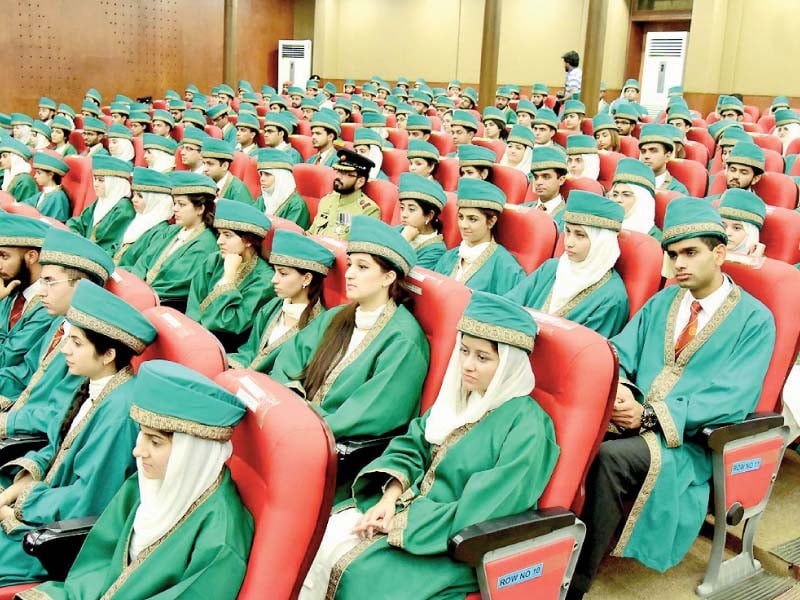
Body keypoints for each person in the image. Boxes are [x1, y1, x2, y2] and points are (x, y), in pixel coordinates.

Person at [567, 199, 775, 599]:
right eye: (673, 254)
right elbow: (619, 354)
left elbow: (731, 398)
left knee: (610, 459)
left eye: (691, 253)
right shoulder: (664, 301)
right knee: (569, 435)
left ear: (719, 254)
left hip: (690, 442)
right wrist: (623, 395)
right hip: (633, 419)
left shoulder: (755, 319)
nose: (679, 263)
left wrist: (646, 416)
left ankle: (573, 584)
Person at [300, 291, 559, 600]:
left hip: (454, 544)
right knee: (319, 539)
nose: (467, 365)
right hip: (407, 513)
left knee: (358, 576)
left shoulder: (529, 426)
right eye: (464, 351)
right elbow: (412, 444)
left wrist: (402, 522)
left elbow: (488, 510)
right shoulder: (460, 398)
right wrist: (389, 498)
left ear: (509, 365)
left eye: (483, 357)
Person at [21, 359, 254, 599]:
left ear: (192, 450)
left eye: (155, 442)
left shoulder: (221, 536)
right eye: (142, 435)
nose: (138, 451)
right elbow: (99, 563)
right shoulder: (145, 482)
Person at [0, 279, 157, 586]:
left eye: (76, 343)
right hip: (41, 506)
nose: (65, 351)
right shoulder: (93, 385)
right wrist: (10, 493)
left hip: (54, 540)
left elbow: (88, 499)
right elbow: (55, 450)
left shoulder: (119, 415)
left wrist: (20, 507)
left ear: (108, 354)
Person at [270, 216, 430, 497]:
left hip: (338, 454)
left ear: (388, 277)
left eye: (362, 267)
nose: (349, 273)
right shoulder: (337, 316)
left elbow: (372, 412)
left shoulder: (404, 339)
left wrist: (302, 421)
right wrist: (291, 401)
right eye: (350, 264)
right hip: (297, 426)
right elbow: (289, 358)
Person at [0, 229, 115, 448]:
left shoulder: (88, 345)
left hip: (31, 440)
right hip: (18, 417)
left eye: (49, 282)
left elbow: (59, 412)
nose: (41, 292)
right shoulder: (60, 323)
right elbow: (24, 372)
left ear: (81, 287)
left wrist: (8, 421)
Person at [508, 192, 629, 337]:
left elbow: (589, 351)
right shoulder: (551, 268)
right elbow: (509, 305)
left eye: (580, 235)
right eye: (568, 232)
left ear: (601, 242)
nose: (569, 243)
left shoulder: (613, 296)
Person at [228, 230, 334, 373]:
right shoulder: (273, 306)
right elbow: (249, 351)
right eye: (275, 271)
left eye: (283, 273)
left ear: (307, 279)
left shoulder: (320, 325)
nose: (274, 279)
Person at [186, 200, 275, 351]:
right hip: (193, 335)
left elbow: (229, 323)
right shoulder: (214, 259)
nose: (220, 241)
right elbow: (194, 304)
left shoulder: (265, 281)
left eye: (227, 235)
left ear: (248, 241)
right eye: (219, 234)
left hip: (223, 346)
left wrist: (228, 278)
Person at [129, 172, 219, 312]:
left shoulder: (205, 244)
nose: (175, 208)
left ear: (200, 209)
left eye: (182, 204)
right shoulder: (172, 230)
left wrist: (139, 294)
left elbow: (174, 285)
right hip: (140, 294)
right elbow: (144, 260)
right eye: (175, 203)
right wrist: (133, 286)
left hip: (162, 307)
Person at [434, 178, 524, 294]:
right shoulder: (449, 256)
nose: (463, 225)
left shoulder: (506, 266)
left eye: (472, 219)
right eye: (461, 217)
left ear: (491, 222)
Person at [0, 214, 53, 388]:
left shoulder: (48, 304)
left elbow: (5, 358)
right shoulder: (12, 285)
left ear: (31, 257)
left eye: (4, 256)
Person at [67, 155, 135, 254]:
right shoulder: (101, 201)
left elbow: (107, 245)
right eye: (95, 179)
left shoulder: (124, 209)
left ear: (115, 183)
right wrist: (74, 234)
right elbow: (79, 222)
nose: (95, 184)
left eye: (101, 180)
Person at [307, 148, 380, 240]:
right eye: (338, 171)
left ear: (360, 182)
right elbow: (310, 233)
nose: (338, 177)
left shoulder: (368, 210)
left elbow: (361, 248)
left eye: (344, 173)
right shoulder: (327, 200)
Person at [114, 167, 174, 267]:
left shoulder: (160, 232)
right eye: (134, 195)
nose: (134, 200)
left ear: (155, 200)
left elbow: (141, 267)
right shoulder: (138, 219)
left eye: (140, 196)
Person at [397, 172, 448, 269]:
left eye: (411, 209)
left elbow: (401, 275)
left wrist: (403, 241)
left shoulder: (435, 250)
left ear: (429, 215)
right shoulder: (399, 229)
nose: (404, 215)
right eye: (402, 208)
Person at [255, 148, 311, 228]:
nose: (262, 179)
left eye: (267, 174)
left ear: (281, 178)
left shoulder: (296, 205)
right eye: (261, 174)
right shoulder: (262, 199)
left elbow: (289, 235)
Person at [609, 158, 662, 240]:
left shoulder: (655, 240)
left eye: (626, 195)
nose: (618, 200)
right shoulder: (605, 230)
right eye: (615, 195)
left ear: (642, 201)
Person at [522, 147, 569, 230]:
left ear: (561, 180)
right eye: (536, 177)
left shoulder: (568, 218)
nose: (538, 182)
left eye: (546, 177)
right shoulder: (522, 209)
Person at [201, 138, 255, 204]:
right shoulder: (204, 183)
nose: (205, 169)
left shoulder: (238, 190)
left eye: (210, 164)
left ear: (225, 166)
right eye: (204, 163)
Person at [638, 124, 689, 194]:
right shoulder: (630, 184)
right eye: (643, 151)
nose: (646, 156)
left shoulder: (676, 190)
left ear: (667, 156)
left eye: (653, 151)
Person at [22, 152, 71, 222]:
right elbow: (26, 204)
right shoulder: (45, 193)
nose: (35, 176)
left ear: (51, 174)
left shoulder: (58, 197)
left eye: (39, 173)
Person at [718, 188, 766, 257]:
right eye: (723, 226)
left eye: (737, 228)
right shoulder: (705, 254)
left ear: (751, 233)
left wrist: (752, 262)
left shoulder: (764, 265)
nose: (727, 233)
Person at [0, 136, 37, 201]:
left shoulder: (25, 180)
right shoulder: (9, 175)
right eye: (1, 157)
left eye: (4, 156)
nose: (1, 160)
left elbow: (23, 207)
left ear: (15, 158)